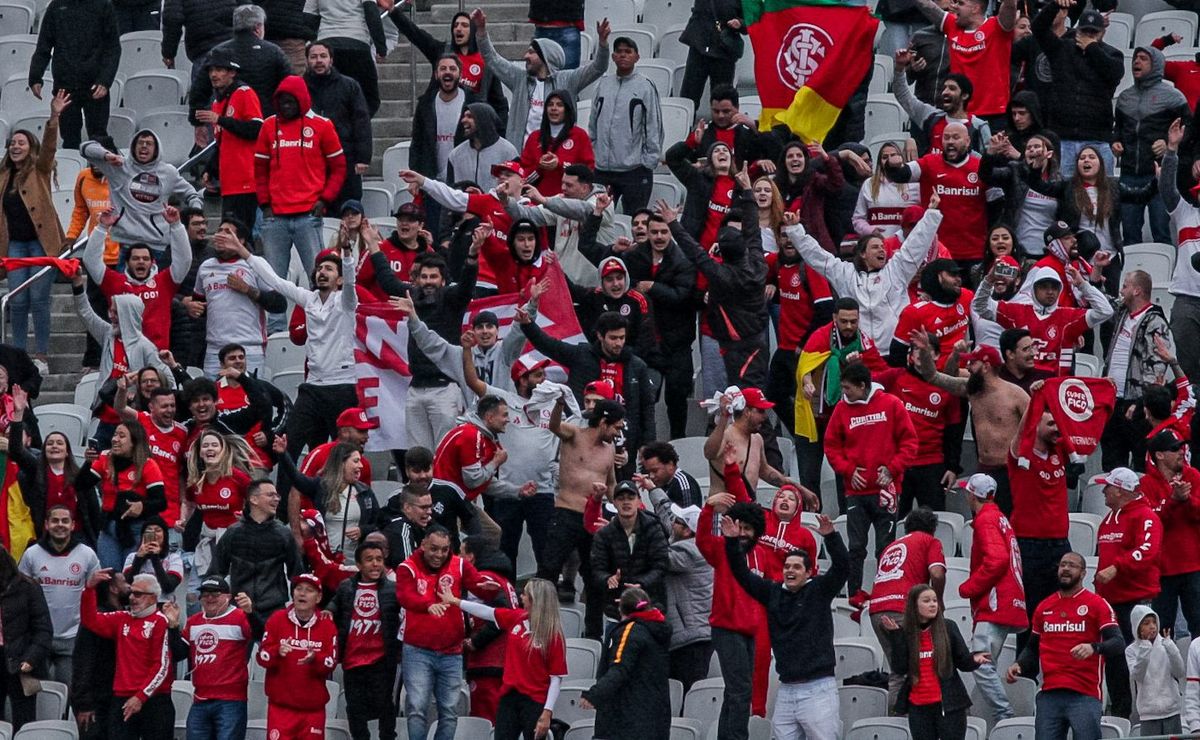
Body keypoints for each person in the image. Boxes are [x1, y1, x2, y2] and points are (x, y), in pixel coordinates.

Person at [228, 229, 359, 462]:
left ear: (339, 279)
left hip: (342, 386)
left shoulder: (346, 302)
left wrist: (347, 253)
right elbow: (275, 281)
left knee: (344, 453)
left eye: (328, 269)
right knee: (290, 445)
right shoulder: (308, 299)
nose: (321, 272)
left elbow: (351, 282)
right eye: (319, 268)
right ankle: (284, 495)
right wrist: (244, 253)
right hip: (313, 386)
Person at [722, 511, 847, 740]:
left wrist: (831, 537)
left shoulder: (819, 590)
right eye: (787, 566)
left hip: (818, 688)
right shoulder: (772, 592)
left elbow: (842, 569)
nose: (790, 570)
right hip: (787, 689)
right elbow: (741, 574)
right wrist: (731, 542)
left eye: (797, 567)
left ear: (809, 572)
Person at [783, 194, 943, 348]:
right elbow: (816, 255)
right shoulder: (844, 273)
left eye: (882, 247)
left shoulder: (896, 271)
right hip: (859, 350)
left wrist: (932, 214)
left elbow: (915, 245)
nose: (882, 250)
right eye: (875, 247)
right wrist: (795, 230)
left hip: (892, 348)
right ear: (862, 253)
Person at [396, 525, 503, 740]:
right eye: (434, 549)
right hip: (417, 650)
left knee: (450, 710)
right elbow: (405, 596)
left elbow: (478, 585)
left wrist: (489, 587)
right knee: (416, 707)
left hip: (452, 651)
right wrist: (428, 605)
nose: (439, 555)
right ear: (424, 544)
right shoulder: (407, 568)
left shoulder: (460, 565)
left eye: (445, 550)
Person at [825, 362, 918, 605]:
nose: (844, 393)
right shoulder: (841, 410)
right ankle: (854, 592)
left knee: (885, 547)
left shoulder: (891, 404)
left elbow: (909, 443)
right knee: (856, 546)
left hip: (886, 490)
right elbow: (831, 446)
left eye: (847, 388)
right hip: (855, 492)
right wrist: (847, 470)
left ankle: (884, 593)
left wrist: (892, 468)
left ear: (862, 385)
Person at [1006, 552, 1125, 740]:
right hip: (1049, 695)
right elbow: (1031, 647)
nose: (1066, 569)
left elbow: (1118, 643)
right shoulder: (1044, 607)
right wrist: (1019, 664)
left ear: (1084, 573)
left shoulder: (1097, 604)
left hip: (1084, 694)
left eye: (1072, 565)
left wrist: (1094, 648)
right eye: (1063, 565)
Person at [535, 397, 623, 638]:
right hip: (566, 511)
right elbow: (554, 426)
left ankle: (593, 633)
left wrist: (623, 507)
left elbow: (612, 482)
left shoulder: (609, 449)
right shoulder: (574, 434)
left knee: (595, 577)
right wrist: (559, 406)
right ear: (604, 422)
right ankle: (539, 627)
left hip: (593, 517)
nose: (617, 433)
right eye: (616, 427)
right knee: (549, 571)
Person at [518, 309, 655, 461]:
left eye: (622, 338)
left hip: (623, 438)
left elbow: (647, 406)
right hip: (583, 434)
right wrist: (527, 325)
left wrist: (648, 443)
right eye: (613, 338)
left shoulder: (637, 366)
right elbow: (548, 345)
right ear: (600, 336)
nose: (619, 343)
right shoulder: (581, 355)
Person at [439, 577, 567, 739]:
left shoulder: (553, 635)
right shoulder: (517, 618)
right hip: (509, 696)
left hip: (535, 700)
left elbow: (556, 678)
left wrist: (547, 712)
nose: (521, 596)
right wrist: (456, 602)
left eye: (525, 594)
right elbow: (487, 612)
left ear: (535, 600)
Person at [253, 75, 346, 296]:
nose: (286, 107)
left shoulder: (322, 126)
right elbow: (259, 169)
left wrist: (324, 199)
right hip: (275, 216)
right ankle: (275, 328)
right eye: (282, 102)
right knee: (273, 279)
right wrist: (265, 203)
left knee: (319, 275)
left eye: (291, 102)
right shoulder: (268, 126)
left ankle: (322, 321)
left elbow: (340, 167)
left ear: (302, 100)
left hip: (308, 215)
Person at [470, 7, 610, 149]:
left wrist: (603, 44)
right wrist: (481, 31)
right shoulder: (519, 79)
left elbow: (598, 68)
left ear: (545, 56)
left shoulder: (568, 80)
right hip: (522, 158)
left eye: (531, 52)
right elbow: (492, 59)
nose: (525, 57)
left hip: (556, 158)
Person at [0, 93, 68, 363]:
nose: (16, 146)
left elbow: (50, 148)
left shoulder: (39, 169)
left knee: (39, 301)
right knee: (17, 301)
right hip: (14, 244)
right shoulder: (3, 174)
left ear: (31, 147)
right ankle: (17, 355)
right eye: (12, 143)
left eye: (21, 142)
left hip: (40, 243)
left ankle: (40, 354)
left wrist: (54, 118)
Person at [956, 473, 1027, 724]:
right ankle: (1000, 720)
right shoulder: (999, 517)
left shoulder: (986, 519)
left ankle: (1004, 716)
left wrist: (968, 588)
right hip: (1009, 600)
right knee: (986, 664)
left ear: (971, 495)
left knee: (980, 662)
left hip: (995, 603)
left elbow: (996, 561)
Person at [1094, 467, 1164, 719]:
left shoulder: (1145, 516)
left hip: (1137, 601)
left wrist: (1117, 567)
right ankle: (1121, 715)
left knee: (1144, 660)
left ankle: (1151, 713)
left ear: (1122, 490)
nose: (1103, 490)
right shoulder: (1108, 519)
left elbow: (1148, 550)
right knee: (1115, 659)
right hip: (1111, 602)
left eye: (1108, 487)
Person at [880, 584, 988, 739]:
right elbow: (900, 668)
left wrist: (975, 659)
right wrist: (896, 636)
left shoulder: (948, 627)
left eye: (935, 600)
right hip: (918, 707)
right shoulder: (906, 633)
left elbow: (963, 661)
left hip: (949, 707)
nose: (932, 604)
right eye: (926, 601)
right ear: (914, 605)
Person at [80, 131, 205, 261]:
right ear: (133, 146)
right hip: (127, 245)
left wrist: (195, 212)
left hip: (158, 246)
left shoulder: (169, 172)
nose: (144, 146)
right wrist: (106, 155)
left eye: (149, 143)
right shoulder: (118, 167)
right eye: (140, 143)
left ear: (156, 149)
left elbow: (191, 194)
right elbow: (84, 148)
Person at [1031, 4, 1124, 177]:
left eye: (1093, 32)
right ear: (1077, 31)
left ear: (1102, 33)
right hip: (1062, 138)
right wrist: (1055, 5)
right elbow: (1038, 28)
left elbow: (1114, 73)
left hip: (1097, 138)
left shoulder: (1112, 54)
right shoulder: (1061, 49)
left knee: (1102, 194)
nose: (1088, 36)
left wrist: (1091, 48)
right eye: (1085, 31)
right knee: (1063, 194)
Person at [81, 570, 175, 739]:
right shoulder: (122, 618)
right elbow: (90, 620)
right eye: (131, 592)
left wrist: (140, 696)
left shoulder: (160, 621)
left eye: (138, 594)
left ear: (153, 597)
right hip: (122, 697)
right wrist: (89, 589)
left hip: (154, 699)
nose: (132, 598)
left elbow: (162, 666)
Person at [867, 507, 947, 704]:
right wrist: (938, 599)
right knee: (924, 666)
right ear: (932, 528)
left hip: (876, 610)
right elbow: (937, 573)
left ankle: (895, 725)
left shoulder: (891, 546)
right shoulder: (930, 541)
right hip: (902, 609)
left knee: (899, 668)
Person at [974, 264, 1113, 377]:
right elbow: (980, 307)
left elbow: (1106, 311)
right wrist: (988, 280)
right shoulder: (1016, 312)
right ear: (1034, 289)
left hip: (1055, 387)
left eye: (1054, 287)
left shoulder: (1069, 317)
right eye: (1044, 287)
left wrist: (1082, 284)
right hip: (1020, 385)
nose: (1050, 292)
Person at [85, 207, 192, 352]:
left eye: (145, 258)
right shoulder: (114, 282)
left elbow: (184, 260)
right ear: (127, 263)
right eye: (135, 258)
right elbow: (91, 260)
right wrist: (102, 227)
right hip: (123, 356)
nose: (141, 261)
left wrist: (176, 225)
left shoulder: (165, 282)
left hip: (156, 356)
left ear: (152, 263)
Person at [191, 217, 287, 377]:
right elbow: (201, 305)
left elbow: (280, 304)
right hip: (215, 350)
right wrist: (192, 307)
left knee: (250, 398)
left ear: (241, 240)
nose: (220, 235)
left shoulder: (255, 265)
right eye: (219, 231)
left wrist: (248, 290)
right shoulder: (206, 267)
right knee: (215, 399)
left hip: (249, 348)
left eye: (227, 232)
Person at [1115, 45, 1189, 244]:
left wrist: (1169, 145)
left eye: (1143, 58)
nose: (1136, 62)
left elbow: (1189, 132)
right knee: (1129, 233)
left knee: (1160, 230)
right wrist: (1116, 142)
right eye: (1135, 59)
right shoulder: (1124, 98)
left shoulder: (1174, 97)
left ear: (1156, 65)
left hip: (1159, 173)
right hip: (1129, 174)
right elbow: (1118, 130)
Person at [886, 123, 990, 265]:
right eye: (946, 138)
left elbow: (995, 205)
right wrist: (892, 166)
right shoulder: (929, 163)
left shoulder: (980, 167)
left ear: (967, 141)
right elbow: (902, 175)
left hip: (974, 251)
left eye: (955, 137)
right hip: (936, 250)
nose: (950, 142)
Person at [17, 504, 99, 684]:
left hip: (72, 637)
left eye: (65, 520)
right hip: (39, 637)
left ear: (72, 525)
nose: (59, 524)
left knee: (67, 691)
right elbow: (20, 594)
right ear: (46, 524)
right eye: (55, 520)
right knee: (41, 693)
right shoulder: (32, 554)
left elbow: (95, 594)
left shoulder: (87, 554)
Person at [641, 482, 711, 692]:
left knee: (688, 691)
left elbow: (658, 557)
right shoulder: (688, 537)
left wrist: (636, 529)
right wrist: (653, 489)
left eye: (679, 522)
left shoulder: (692, 551)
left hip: (692, 638)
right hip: (687, 635)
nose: (673, 524)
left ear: (689, 530)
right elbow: (667, 515)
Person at [327, 541, 400, 740]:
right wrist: (328, 611)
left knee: (385, 705)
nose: (375, 564)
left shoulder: (393, 590)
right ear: (358, 565)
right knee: (355, 708)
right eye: (369, 560)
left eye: (379, 559)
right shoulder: (346, 587)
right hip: (352, 659)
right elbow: (335, 603)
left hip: (382, 660)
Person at [1101, 272, 1173, 470]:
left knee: (1141, 463)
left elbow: (1156, 368)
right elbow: (1100, 302)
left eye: (1125, 286)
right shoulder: (1123, 313)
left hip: (1138, 406)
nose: (1121, 291)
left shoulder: (1155, 322)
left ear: (1136, 290)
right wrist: (1094, 274)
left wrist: (1141, 402)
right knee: (1111, 462)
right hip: (1113, 400)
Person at [579, 587, 671, 740]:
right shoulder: (657, 630)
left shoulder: (630, 632)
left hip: (627, 719)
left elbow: (619, 668)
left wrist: (594, 694)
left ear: (621, 608)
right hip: (654, 719)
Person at [208, 479, 304, 626]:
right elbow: (216, 572)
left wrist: (298, 608)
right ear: (253, 499)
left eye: (277, 496)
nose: (276, 499)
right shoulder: (233, 533)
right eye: (270, 495)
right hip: (238, 608)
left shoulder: (284, 534)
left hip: (273, 609)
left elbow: (297, 574)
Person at [389, 9, 508, 125]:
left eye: (464, 25)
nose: (458, 29)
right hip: (439, 121)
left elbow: (499, 103)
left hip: (471, 126)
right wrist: (393, 11)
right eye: (455, 25)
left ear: (473, 30)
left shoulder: (486, 61)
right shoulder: (442, 51)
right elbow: (416, 34)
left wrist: (500, 134)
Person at [27, 0, 118, 149]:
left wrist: (105, 80)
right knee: (69, 138)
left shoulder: (103, 5)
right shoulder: (56, 6)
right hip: (65, 86)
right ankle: (73, 172)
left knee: (99, 138)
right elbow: (44, 43)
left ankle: (100, 172)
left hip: (95, 85)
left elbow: (113, 47)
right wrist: (35, 76)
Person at [911, 0, 1017, 127]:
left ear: (975, 8)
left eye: (960, 3)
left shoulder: (997, 27)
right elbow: (926, 5)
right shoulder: (952, 26)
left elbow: (1010, 5)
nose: (954, 6)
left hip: (993, 115)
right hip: (959, 115)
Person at [257, 573, 338, 738]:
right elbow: (262, 657)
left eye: (309, 590)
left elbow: (331, 663)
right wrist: (276, 652)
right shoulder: (277, 619)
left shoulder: (327, 626)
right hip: (281, 709)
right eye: (298, 589)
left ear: (318, 597)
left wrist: (316, 658)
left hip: (313, 711)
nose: (302, 593)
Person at [589, 37, 663, 215]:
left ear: (637, 57)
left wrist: (647, 163)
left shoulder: (645, 86)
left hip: (634, 171)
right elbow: (593, 122)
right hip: (603, 170)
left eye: (628, 52)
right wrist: (593, 153)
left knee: (635, 222)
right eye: (619, 51)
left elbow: (654, 125)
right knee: (599, 221)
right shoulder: (604, 84)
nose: (623, 55)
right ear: (613, 57)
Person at [195, 53, 264, 231]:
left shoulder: (244, 93)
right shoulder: (218, 103)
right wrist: (210, 169)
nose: (213, 75)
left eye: (219, 70)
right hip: (230, 184)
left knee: (242, 237)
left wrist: (220, 120)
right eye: (211, 70)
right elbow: (222, 143)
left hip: (247, 182)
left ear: (232, 72)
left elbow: (256, 129)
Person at [180, 575, 254, 740]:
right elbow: (179, 654)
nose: (210, 598)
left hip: (231, 700)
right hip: (200, 698)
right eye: (205, 594)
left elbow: (259, 634)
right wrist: (171, 627)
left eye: (215, 594)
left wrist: (251, 613)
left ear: (228, 596)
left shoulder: (240, 617)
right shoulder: (193, 621)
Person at [591, 481, 670, 633]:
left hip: (650, 606)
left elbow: (661, 565)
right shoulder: (604, 535)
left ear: (639, 501)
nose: (626, 502)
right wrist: (608, 578)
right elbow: (597, 569)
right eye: (621, 498)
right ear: (614, 503)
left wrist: (641, 584)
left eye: (630, 497)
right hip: (616, 611)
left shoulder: (654, 528)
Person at [1142, 431, 1200, 636]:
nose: (1181, 452)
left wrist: (1186, 500)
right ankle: (1164, 669)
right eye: (1174, 449)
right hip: (1164, 569)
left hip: (1193, 566)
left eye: (1181, 447)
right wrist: (1174, 500)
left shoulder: (1193, 476)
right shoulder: (1146, 484)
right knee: (1163, 630)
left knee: (1198, 625)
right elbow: (1153, 521)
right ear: (1159, 455)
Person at [281, 439, 379, 560]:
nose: (361, 465)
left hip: (356, 563)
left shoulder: (365, 492)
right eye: (356, 461)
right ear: (341, 463)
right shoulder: (321, 487)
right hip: (323, 561)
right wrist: (283, 454)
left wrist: (362, 530)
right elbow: (297, 479)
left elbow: (378, 522)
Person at [189, 5, 292, 118]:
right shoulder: (274, 52)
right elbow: (291, 86)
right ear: (258, 27)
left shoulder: (217, 52)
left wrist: (198, 123)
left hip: (227, 122)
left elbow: (198, 91)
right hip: (266, 122)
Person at [304, 41, 374, 207]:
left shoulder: (349, 86)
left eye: (323, 56)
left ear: (331, 60)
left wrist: (363, 157)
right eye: (313, 57)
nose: (319, 61)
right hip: (310, 159)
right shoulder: (299, 87)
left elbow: (361, 121)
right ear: (307, 61)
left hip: (345, 157)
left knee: (347, 208)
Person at [893, 51, 991, 156]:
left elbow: (987, 164)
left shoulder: (979, 127)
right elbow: (902, 95)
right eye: (944, 88)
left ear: (965, 95)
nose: (945, 92)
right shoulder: (931, 117)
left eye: (952, 88)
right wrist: (899, 68)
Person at [678, 0, 745, 114]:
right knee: (688, 98)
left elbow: (751, 21)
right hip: (699, 48)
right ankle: (685, 127)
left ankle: (722, 131)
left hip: (724, 53)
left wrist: (739, 23)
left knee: (723, 100)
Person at [1126, 605, 1185, 737]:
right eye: (1146, 623)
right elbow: (1137, 675)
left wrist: (1171, 648)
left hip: (1172, 711)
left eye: (1154, 622)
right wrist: (1145, 648)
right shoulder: (1131, 650)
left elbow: (1180, 671)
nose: (1152, 626)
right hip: (1148, 713)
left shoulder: (1167, 644)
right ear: (1138, 627)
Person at [852, 141, 921, 238]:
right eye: (885, 157)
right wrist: (870, 230)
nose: (889, 160)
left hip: (906, 245)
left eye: (893, 155)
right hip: (878, 244)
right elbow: (858, 219)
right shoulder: (869, 184)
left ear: (901, 158)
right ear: (880, 161)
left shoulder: (913, 184)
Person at [121, 517, 184, 601]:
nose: (153, 534)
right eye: (149, 531)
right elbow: (128, 584)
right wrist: (138, 559)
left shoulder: (174, 558)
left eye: (158, 531)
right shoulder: (132, 557)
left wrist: (155, 558)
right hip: (137, 604)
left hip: (163, 604)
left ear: (164, 535)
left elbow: (168, 587)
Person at [161, 0, 235, 71]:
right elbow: (245, 10)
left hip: (202, 50)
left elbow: (172, 19)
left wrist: (168, 53)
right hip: (233, 49)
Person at [639, 442, 703, 508]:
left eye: (655, 471)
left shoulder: (682, 484)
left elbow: (688, 516)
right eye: (649, 472)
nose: (651, 476)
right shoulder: (663, 482)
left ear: (670, 464)